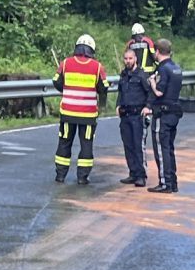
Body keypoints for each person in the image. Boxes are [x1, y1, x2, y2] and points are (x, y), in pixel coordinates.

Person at [53, 32, 107, 184]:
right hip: (88, 115)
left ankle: (60, 175)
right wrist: (101, 104)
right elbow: (104, 88)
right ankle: (82, 177)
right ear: (91, 49)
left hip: (67, 112)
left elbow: (56, 81)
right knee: (86, 144)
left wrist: (67, 90)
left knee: (64, 142)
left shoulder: (65, 63)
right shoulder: (97, 67)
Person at [146, 37, 182, 192]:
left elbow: (159, 92)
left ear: (158, 51)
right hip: (174, 112)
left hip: (163, 113)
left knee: (161, 149)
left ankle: (165, 183)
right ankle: (172, 182)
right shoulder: (176, 68)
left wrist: (152, 83)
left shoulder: (162, 69)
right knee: (169, 148)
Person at [116, 43, 151, 186]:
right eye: (126, 58)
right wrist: (118, 105)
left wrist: (148, 107)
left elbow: (150, 92)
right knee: (128, 146)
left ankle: (141, 175)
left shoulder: (142, 75)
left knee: (138, 146)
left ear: (135, 59)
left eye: (130, 58)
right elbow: (120, 91)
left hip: (138, 115)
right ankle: (132, 172)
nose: (128, 61)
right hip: (125, 115)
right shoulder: (123, 75)